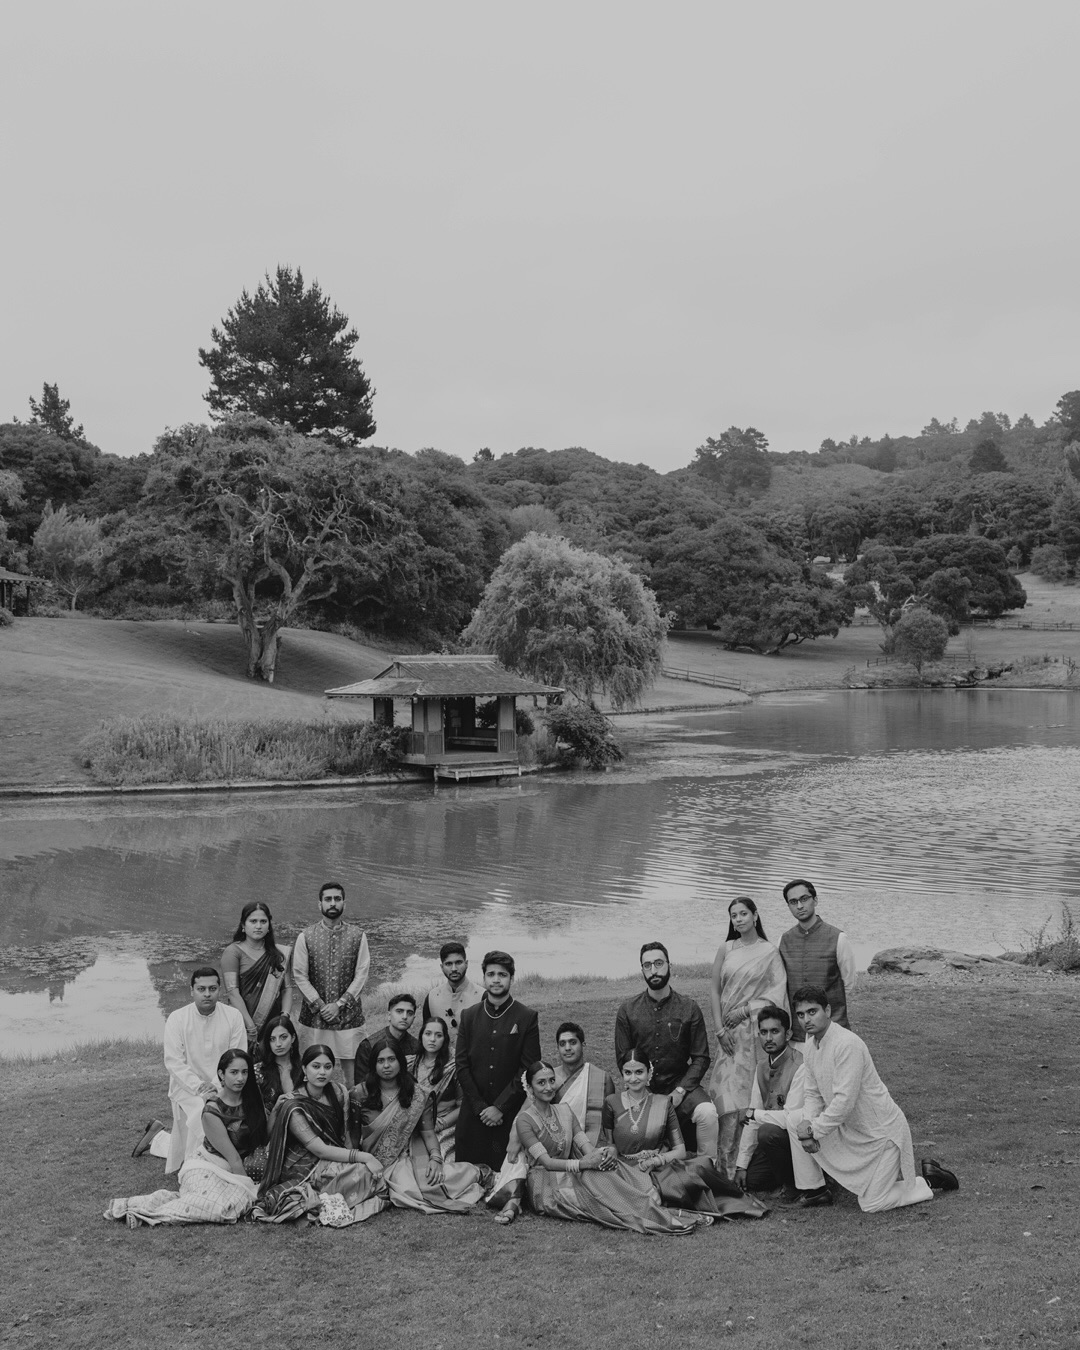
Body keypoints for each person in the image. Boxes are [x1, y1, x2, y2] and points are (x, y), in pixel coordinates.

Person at [745, 986, 959, 1212]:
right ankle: (814, 1190)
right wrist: (807, 1125)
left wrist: (813, 1132)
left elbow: (844, 1103)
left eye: (812, 1011)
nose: (806, 1019)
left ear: (827, 1010)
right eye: (800, 1015)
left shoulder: (847, 1044)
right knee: (796, 1120)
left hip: (881, 1133)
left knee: (872, 1203)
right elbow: (812, 1093)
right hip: (849, 1128)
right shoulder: (810, 1043)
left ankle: (929, 1181)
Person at [511, 1059, 706, 1234]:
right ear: (530, 1087)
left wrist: (604, 1155)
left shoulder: (564, 1110)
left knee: (607, 1168)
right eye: (541, 1082)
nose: (548, 1087)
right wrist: (584, 1164)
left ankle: (656, 1206)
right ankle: (663, 1217)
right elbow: (546, 1162)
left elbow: (586, 1147)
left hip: (572, 1171)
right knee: (599, 1200)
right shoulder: (525, 1120)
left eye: (551, 1081)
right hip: (546, 1183)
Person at [106, 1049, 267, 1226]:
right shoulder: (212, 1111)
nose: (240, 1078)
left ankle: (175, 1198)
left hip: (234, 1170)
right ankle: (141, 1211)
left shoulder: (252, 1098)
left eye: (244, 1072)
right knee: (219, 1208)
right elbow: (234, 1159)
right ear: (221, 1074)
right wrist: (252, 1190)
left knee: (234, 1203)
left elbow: (264, 1133)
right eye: (234, 1072)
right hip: (207, 1166)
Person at [601, 1048, 767, 1220]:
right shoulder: (611, 1102)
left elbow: (680, 1151)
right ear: (622, 1073)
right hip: (626, 1169)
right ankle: (666, 1207)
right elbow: (610, 1143)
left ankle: (665, 1203)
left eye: (639, 1072)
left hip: (659, 1168)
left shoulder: (663, 1103)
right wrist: (612, 1149)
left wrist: (653, 1161)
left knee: (697, 1169)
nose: (633, 1078)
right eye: (628, 1073)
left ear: (649, 1073)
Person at [253, 1045, 387, 1224]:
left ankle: (327, 1195)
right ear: (304, 1069)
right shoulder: (294, 1105)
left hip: (333, 1155)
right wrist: (365, 1157)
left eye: (327, 1066)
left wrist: (352, 1160)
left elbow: (345, 1134)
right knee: (366, 1172)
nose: (322, 1072)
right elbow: (320, 1150)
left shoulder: (338, 1091)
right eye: (316, 1067)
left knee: (367, 1172)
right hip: (302, 1165)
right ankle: (315, 1198)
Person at [614, 942, 719, 1160]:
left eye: (659, 963)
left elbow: (701, 1058)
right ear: (641, 969)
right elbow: (623, 1059)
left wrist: (680, 1091)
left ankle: (707, 1169)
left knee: (707, 1113)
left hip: (681, 1087)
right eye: (647, 965)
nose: (654, 970)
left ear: (669, 965)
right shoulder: (628, 1010)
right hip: (642, 1089)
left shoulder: (689, 1008)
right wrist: (644, 1091)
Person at [708, 897, 789, 1175]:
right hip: (728, 1037)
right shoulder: (726, 949)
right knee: (725, 1097)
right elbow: (716, 992)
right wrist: (719, 1030)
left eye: (744, 914)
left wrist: (746, 1009)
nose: (738, 919)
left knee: (751, 1096)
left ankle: (748, 1165)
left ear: (755, 916)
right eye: (733, 915)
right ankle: (724, 1165)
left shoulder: (769, 952)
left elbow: (777, 994)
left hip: (755, 1034)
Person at [357, 1040, 488, 1212]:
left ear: (401, 1063)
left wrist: (435, 1158)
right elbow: (351, 1136)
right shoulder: (360, 1093)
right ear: (373, 1064)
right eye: (380, 1061)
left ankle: (478, 1173)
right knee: (407, 1189)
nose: (386, 1065)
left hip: (408, 1155)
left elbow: (427, 1133)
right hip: (372, 1161)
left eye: (392, 1059)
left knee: (432, 1178)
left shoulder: (417, 1094)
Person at [455, 950, 541, 1170]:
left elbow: (529, 1068)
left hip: (509, 1112)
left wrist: (500, 1108)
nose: (496, 979)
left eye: (502, 975)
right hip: (474, 1111)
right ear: (483, 978)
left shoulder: (526, 1017)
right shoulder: (469, 1016)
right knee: (465, 1174)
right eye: (491, 974)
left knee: (506, 1173)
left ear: (511, 978)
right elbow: (462, 1066)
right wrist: (480, 1107)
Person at [161, 967, 247, 1173]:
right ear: (192, 990)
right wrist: (200, 1087)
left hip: (227, 1085)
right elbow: (174, 1062)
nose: (207, 994)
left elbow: (238, 1056)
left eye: (212, 988)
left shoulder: (233, 1016)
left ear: (220, 990)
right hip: (187, 1088)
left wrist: (217, 1086)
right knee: (203, 1112)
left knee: (213, 1107)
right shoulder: (177, 1018)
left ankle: (215, 1164)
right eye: (201, 989)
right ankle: (198, 1168)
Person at [291, 882, 371, 1088]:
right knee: (313, 1069)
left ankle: (352, 1110)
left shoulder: (358, 935)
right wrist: (320, 1005)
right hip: (315, 1017)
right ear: (320, 904)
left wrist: (340, 1004)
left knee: (353, 1074)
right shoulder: (306, 936)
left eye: (337, 899)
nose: (333, 903)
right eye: (328, 899)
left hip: (349, 1017)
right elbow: (299, 974)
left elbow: (362, 973)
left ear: (344, 902)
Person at [734, 1006, 804, 1197]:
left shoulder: (800, 1066)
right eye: (763, 1032)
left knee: (767, 1132)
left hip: (801, 1141)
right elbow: (752, 1118)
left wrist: (753, 1114)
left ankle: (794, 1186)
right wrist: (742, 1165)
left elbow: (792, 1119)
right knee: (751, 1181)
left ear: (788, 1034)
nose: (769, 1038)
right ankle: (785, 1176)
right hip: (776, 1143)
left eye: (775, 1031)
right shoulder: (761, 1067)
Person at [778, 880, 858, 1037]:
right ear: (789, 906)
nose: (800, 906)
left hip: (833, 1029)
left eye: (804, 899)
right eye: (793, 902)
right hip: (796, 1032)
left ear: (815, 900)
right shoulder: (784, 940)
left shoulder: (838, 938)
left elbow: (849, 983)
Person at [220, 901, 295, 1048]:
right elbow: (232, 993)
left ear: (269, 926)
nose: (258, 926)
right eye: (253, 921)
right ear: (243, 925)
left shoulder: (280, 954)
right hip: (242, 1021)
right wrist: (250, 1026)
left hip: (273, 1023)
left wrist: (284, 1017)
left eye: (263, 921)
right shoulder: (233, 952)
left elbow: (287, 989)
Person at [552, 1022, 614, 1148]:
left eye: (573, 1042)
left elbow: (611, 1119)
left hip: (592, 1146)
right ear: (557, 1047)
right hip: (557, 1147)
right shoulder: (549, 1078)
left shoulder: (601, 1078)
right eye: (562, 1044)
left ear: (583, 1044)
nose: (567, 1048)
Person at [410, 1015, 462, 1161]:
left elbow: (463, 1106)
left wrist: (442, 1123)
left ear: (445, 1039)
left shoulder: (454, 1067)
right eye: (428, 1034)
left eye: (438, 1035)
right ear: (421, 1036)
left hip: (443, 1126)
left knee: (437, 1159)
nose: (432, 1039)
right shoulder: (410, 1063)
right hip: (413, 1124)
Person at [422, 941, 482, 1047]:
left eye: (458, 962)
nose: (454, 969)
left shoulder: (482, 996)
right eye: (448, 964)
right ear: (442, 967)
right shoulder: (432, 997)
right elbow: (425, 1036)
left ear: (466, 963)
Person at [353, 993, 420, 1083]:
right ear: (389, 1015)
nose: (404, 1017)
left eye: (409, 1013)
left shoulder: (416, 1046)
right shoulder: (368, 1046)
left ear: (413, 1018)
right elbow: (361, 1084)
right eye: (399, 1011)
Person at [255, 1014, 303, 1112]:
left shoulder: (305, 1068)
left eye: (283, 1037)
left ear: (293, 1038)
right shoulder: (258, 1071)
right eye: (272, 1039)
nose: (278, 1044)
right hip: (269, 1123)